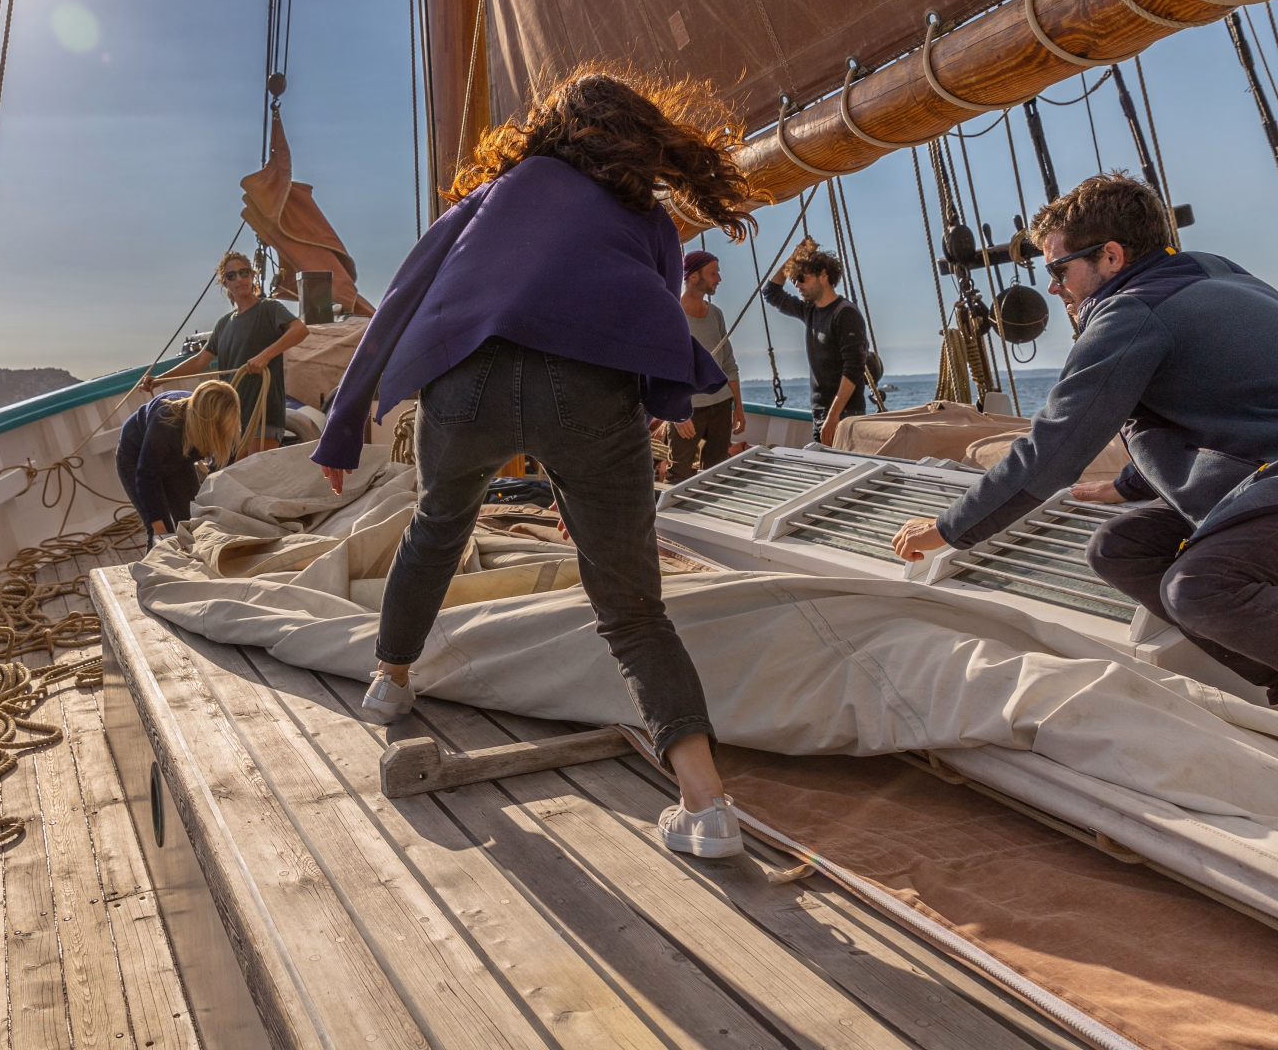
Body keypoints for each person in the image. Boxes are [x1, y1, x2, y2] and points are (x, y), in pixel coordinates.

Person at [311, 68, 760, 858]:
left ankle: (390, 682)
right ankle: (708, 805)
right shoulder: (647, 217)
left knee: (437, 527)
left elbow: (403, 299)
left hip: (467, 374)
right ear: (634, 139)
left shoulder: (495, 193)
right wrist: (649, 429)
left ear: (552, 129)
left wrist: (343, 429)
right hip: (588, 392)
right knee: (630, 607)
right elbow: (648, 317)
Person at [891, 172, 1278, 744]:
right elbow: (1236, 404)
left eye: (1059, 269)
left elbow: (1051, 450)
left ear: (1110, 255)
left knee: (1201, 586)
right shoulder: (1209, 271)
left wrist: (947, 529)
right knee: (1120, 547)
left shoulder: (1130, 313)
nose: (1054, 288)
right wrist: (1131, 485)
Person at [169, 251, 310, 456]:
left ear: (252, 276)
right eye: (231, 275)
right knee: (232, 478)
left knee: (250, 477)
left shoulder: (268, 309)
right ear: (225, 283)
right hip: (230, 419)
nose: (239, 279)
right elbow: (199, 360)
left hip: (263, 416)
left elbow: (300, 330)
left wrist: (265, 356)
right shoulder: (223, 325)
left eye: (244, 272)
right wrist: (160, 379)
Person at [762, 245, 869, 445]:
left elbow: (854, 368)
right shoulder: (810, 310)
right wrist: (792, 258)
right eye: (794, 279)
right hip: (821, 412)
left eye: (802, 278)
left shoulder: (845, 314)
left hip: (844, 414)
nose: (797, 284)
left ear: (824, 275)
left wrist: (833, 416)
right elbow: (771, 292)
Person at [115, 380, 242, 541]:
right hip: (136, 456)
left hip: (179, 456)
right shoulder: (166, 421)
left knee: (193, 524)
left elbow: (219, 472)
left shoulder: (228, 421)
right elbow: (146, 477)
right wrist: (160, 532)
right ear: (206, 422)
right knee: (162, 534)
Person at [668, 250, 744, 480]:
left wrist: (738, 407)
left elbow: (729, 364)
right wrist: (675, 414)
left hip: (721, 404)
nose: (718, 279)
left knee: (716, 473)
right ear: (693, 276)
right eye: (713, 273)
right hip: (687, 408)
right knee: (678, 474)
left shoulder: (716, 315)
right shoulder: (671, 314)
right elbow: (660, 370)